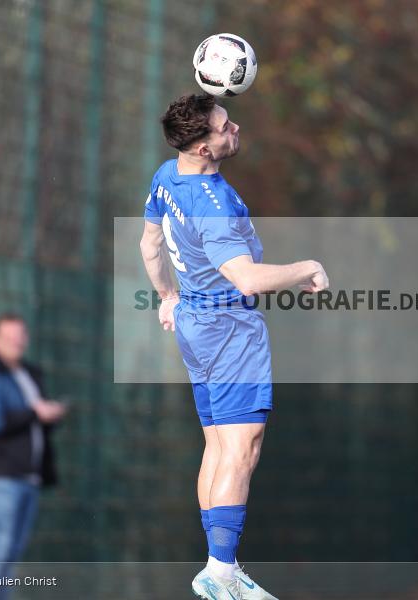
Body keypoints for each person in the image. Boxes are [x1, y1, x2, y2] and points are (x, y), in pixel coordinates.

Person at [139, 93, 329, 600]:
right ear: (203, 148)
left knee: (219, 446)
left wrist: (167, 297)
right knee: (242, 448)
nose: (235, 128)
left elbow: (149, 245)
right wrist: (304, 269)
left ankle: (218, 567)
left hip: (195, 326)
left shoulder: (167, 174)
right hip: (228, 330)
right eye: (224, 128)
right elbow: (246, 278)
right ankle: (221, 571)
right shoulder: (214, 202)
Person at [0, 313, 67, 600]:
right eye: (8, 337)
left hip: (29, 476)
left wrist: (49, 415)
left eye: (20, 336)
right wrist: (34, 413)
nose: (16, 342)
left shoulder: (28, 373)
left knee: (11, 553)